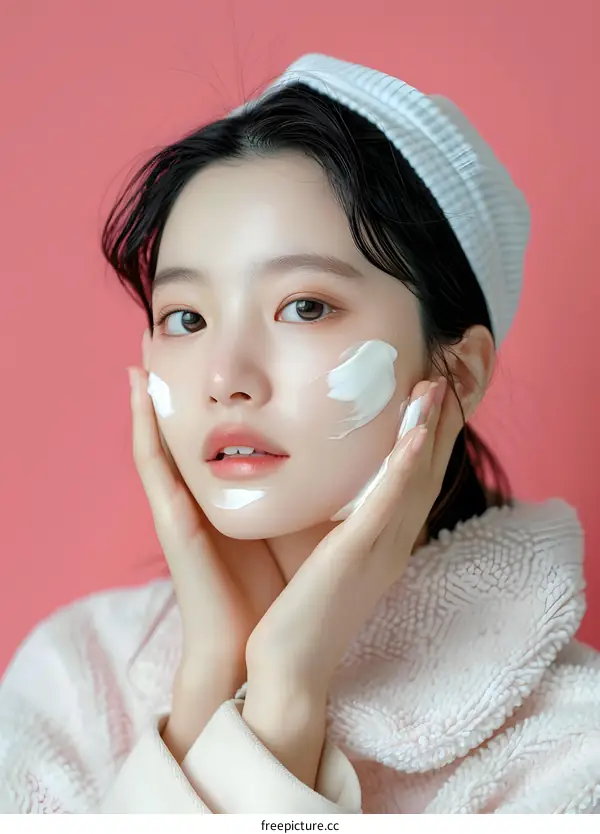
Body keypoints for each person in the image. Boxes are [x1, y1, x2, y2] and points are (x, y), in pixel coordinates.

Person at [1, 52, 599, 815]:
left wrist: (287, 682)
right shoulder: (72, 679)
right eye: (186, 318)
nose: (226, 376)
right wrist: (213, 680)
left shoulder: (573, 750)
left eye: (305, 307)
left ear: (458, 371)